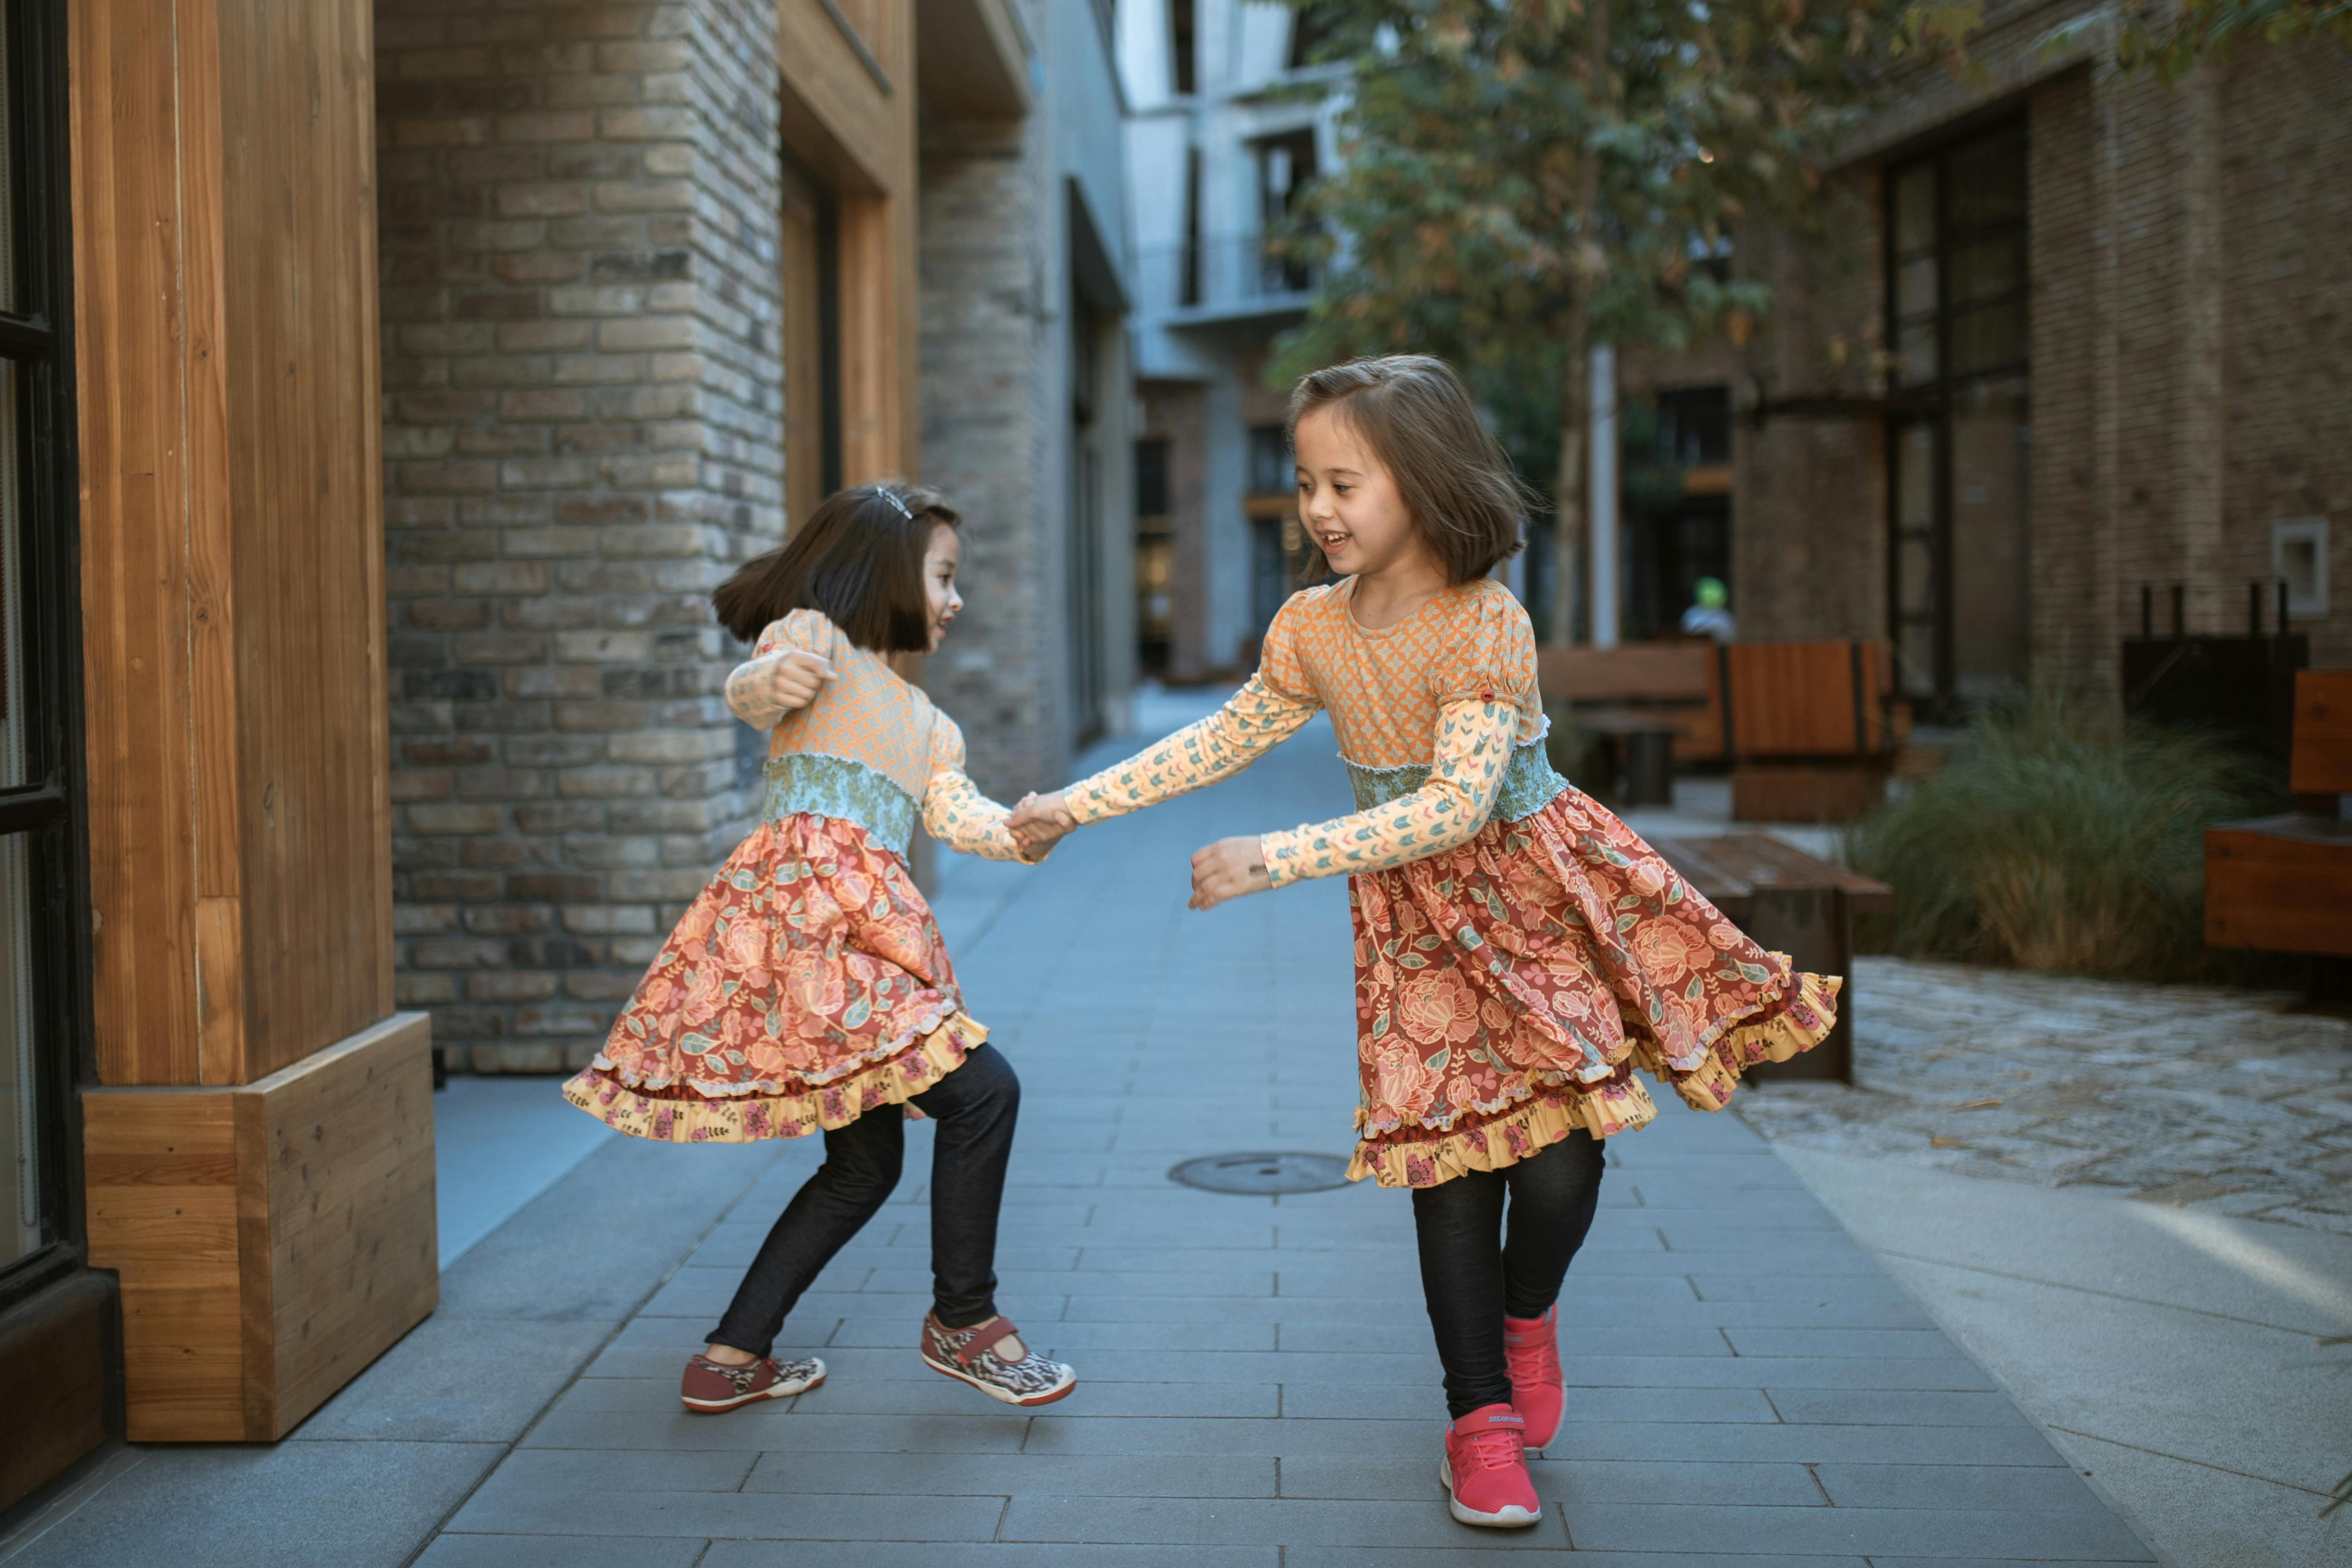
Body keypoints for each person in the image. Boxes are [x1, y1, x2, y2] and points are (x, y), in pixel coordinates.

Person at [1009, 357, 1837, 1529]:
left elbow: (1454, 804)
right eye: (1304, 482)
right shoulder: (1310, 624)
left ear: (1423, 478)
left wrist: (1272, 855)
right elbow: (1219, 737)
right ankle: (1477, 1421)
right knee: (1448, 1159)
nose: (1316, 507)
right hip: (1410, 929)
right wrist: (1071, 803)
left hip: (1530, 894)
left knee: (1557, 1159)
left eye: (1344, 480)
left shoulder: (1485, 619)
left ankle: (1525, 1311)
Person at [563, 483, 1078, 1416]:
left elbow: (962, 818)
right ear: (886, 567)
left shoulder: (930, 724)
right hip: (807, 937)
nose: (956, 600)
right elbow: (755, 683)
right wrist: (770, 684)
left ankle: (729, 1359)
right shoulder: (815, 640)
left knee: (862, 1167)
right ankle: (965, 1320)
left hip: (866, 944)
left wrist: (1028, 829)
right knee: (984, 1090)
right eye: (943, 576)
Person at [1679, 576, 1736, 642]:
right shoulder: (1692, 614)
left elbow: (1730, 637)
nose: (1710, 598)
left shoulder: (1725, 616)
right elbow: (1686, 632)